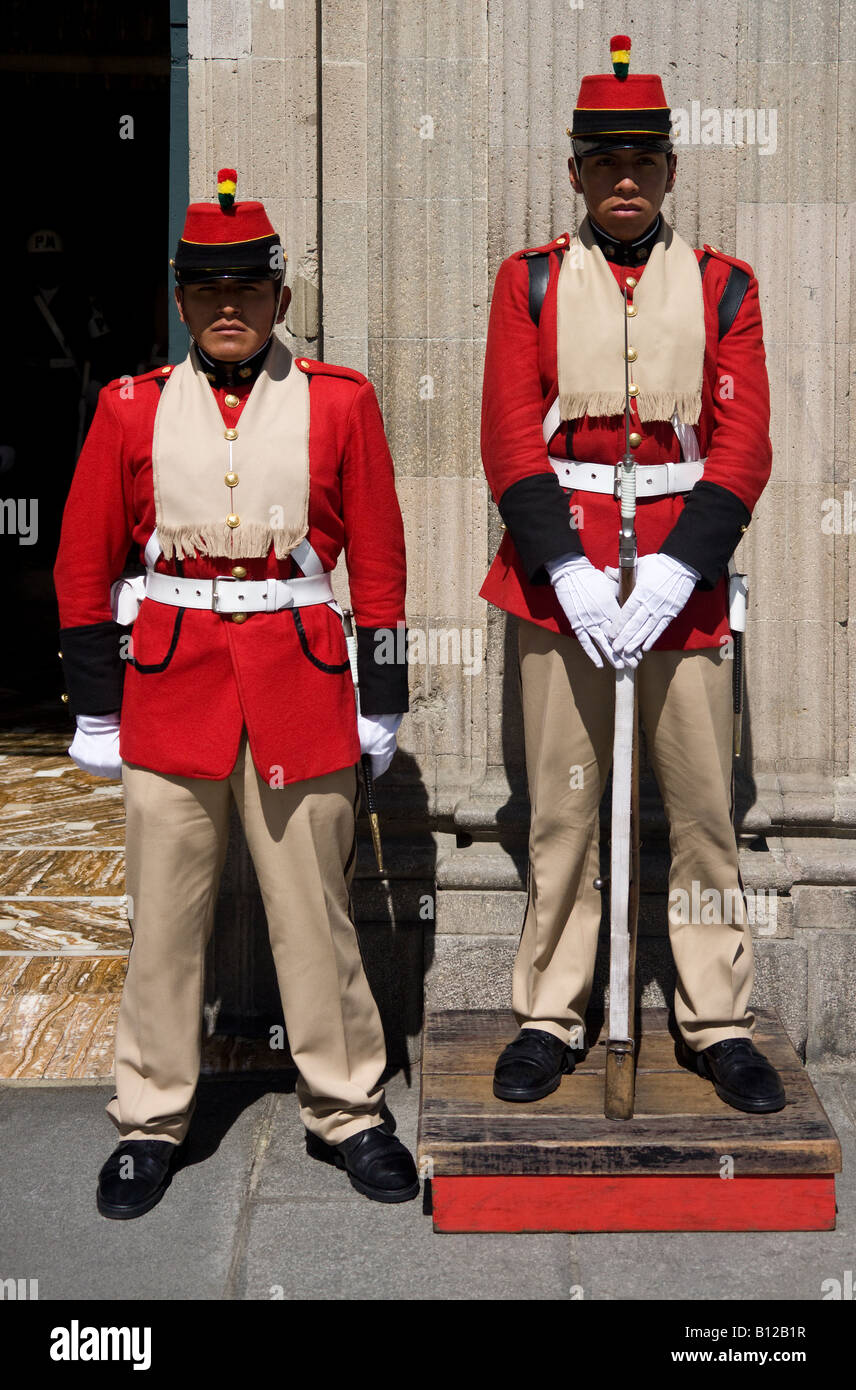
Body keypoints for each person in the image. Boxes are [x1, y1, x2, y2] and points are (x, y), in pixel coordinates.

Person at [54, 170, 419, 1217]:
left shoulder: (340, 401)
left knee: (314, 913)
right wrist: (93, 705)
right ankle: (151, 1120)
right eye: (206, 291)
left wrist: (379, 691)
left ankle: (348, 1108)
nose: (228, 308)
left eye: (247, 291)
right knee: (165, 924)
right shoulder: (127, 407)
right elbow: (85, 560)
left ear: (279, 301)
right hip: (170, 694)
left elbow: (381, 558)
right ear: (180, 301)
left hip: (301, 689)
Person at [480, 38, 786, 1114]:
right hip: (557, 584)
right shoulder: (524, 283)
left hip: (680, 588)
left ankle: (714, 1017)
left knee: (701, 812)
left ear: (667, 172)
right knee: (561, 809)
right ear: (573, 171)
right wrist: (561, 566)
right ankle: (552, 1010)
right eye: (603, 163)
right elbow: (509, 440)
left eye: (642, 164)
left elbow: (743, 448)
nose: (623, 182)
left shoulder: (723, 284)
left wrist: (671, 572)